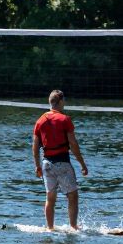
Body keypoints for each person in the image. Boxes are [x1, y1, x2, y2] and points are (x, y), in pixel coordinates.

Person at [32, 89, 89, 231]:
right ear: (61, 102)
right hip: (62, 163)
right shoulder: (65, 119)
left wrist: (37, 166)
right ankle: (74, 227)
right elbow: (73, 145)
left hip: (46, 165)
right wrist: (82, 164)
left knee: (50, 198)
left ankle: (50, 228)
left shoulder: (40, 121)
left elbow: (35, 146)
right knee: (72, 196)